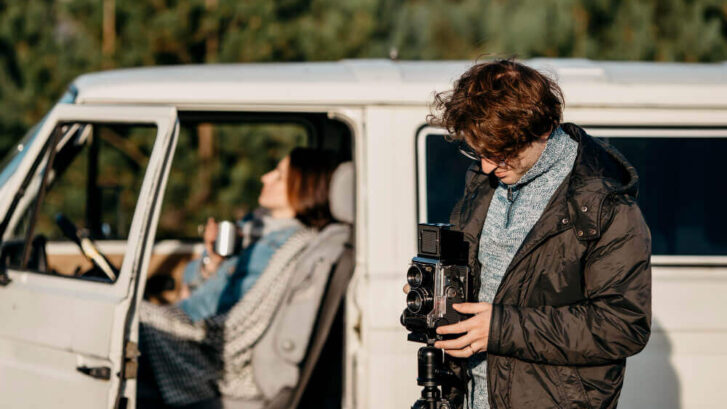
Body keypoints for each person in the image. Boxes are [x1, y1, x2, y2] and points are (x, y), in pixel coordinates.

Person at [425, 59, 651, 409]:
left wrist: (499, 328)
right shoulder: (483, 183)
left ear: (542, 129)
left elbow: (623, 325)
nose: (486, 165)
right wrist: (435, 295)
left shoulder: (604, 205)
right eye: (478, 151)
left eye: (499, 153)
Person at [173, 147, 337, 322]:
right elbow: (190, 279)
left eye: (279, 176)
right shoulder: (254, 225)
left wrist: (179, 308)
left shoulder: (277, 245)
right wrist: (213, 261)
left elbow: (216, 310)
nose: (265, 177)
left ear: (304, 189)